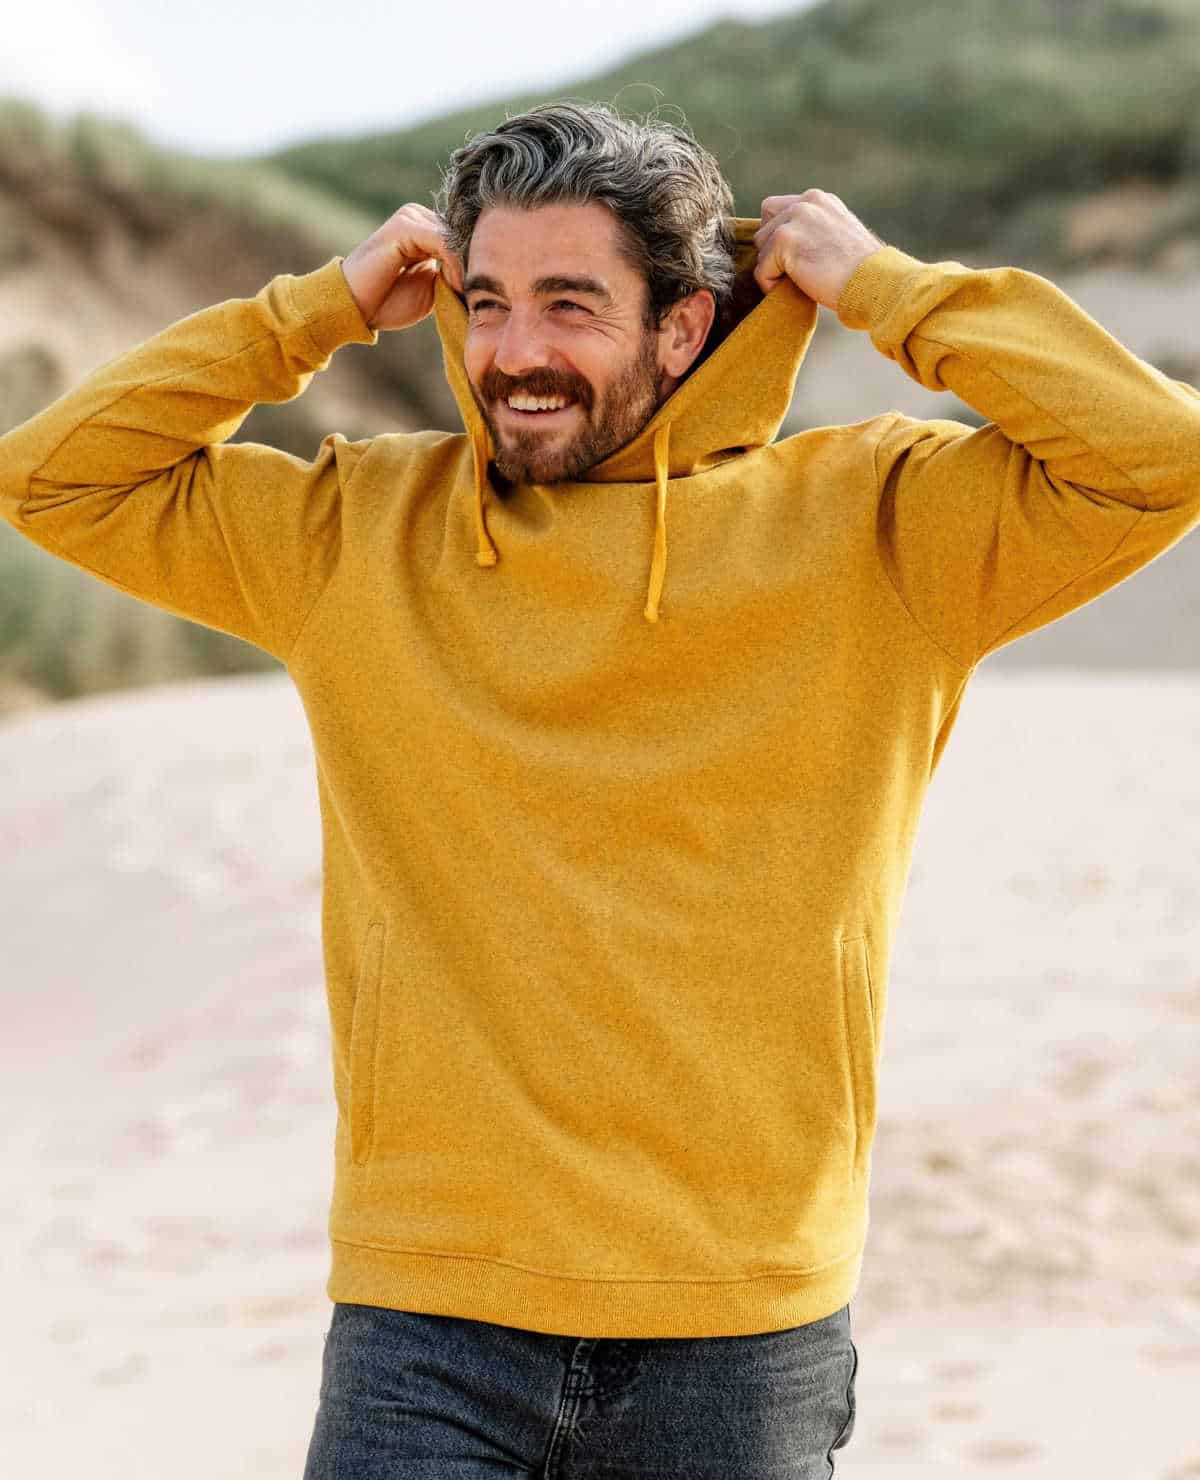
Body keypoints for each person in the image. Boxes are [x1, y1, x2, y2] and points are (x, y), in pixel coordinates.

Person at [2, 99, 1198, 1478]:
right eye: (490, 299)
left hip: (742, 1323)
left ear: (683, 328)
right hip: (429, 1315)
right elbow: (52, 482)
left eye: (571, 305)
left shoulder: (885, 528)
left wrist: (890, 292)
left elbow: (1158, 456)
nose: (513, 353)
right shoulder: (354, 533)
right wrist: (310, 312)